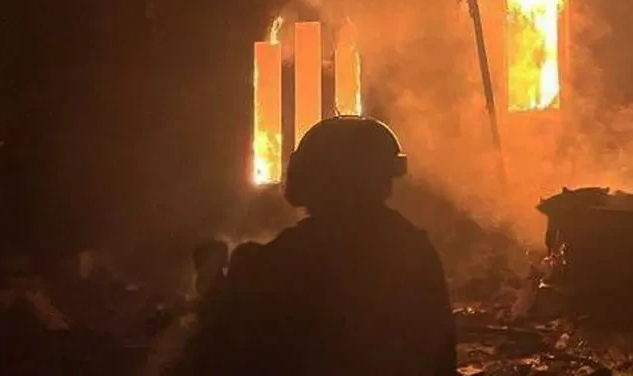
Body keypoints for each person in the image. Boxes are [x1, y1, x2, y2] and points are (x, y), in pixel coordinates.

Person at [186, 116, 455, 376]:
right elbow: (439, 351)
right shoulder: (413, 247)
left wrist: (211, 281)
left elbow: (226, 345)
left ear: (309, 177)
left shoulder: (281, 259)